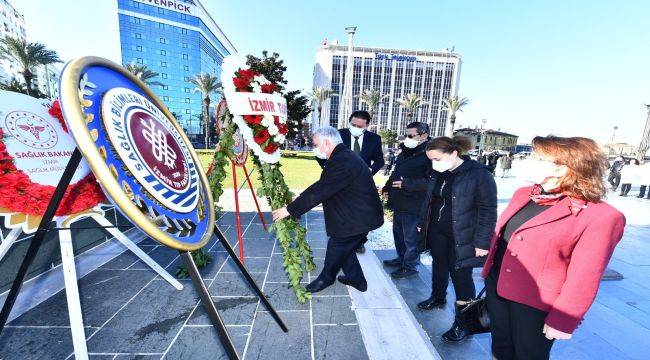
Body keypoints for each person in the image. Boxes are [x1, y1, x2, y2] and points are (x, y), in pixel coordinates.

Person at [482, 136, 626, 360]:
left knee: (528, 355)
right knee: (500, 348)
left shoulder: (601, 216)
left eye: (539, 158)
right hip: (498, 286)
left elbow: (585, 276)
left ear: (563, 168)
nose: (530, 161)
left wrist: (564, 319)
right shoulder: (525, 194)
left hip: (536, 304)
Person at [273, 126, 384, 293]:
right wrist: (300, 198)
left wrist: (289, 209)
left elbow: (321, 190)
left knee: (337, 246)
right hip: (357, 213)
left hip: (357, 218)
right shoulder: (343, 155)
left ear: (326, 142)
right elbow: (324, 185)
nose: (314, 148)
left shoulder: (342, 161)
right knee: (345, 249)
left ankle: (327, 278)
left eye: (316, 144)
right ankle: (357, 280)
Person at [416, 136, 498, 343]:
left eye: (437, 158)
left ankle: (464, 323)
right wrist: (422, 222)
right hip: (438, 230)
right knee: (439, 265)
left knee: (461, 276)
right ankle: (437, 296)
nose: (434, 163)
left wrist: (482, 242)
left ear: (454, 153)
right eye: (431, 160)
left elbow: (488, 210)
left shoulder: (479, 174)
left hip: (464, 235)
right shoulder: (439, 172)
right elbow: (430, 200)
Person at [316, 110, 384, 254]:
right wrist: (328, 167)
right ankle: (341, 235)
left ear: (367, 126)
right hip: (338, 180)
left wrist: (370, 171)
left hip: (360, 183)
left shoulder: (374, 139)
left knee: (360, 211)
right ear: (349, 122)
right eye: (353, 124)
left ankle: (359, 241)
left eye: (360, 126)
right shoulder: (338, 134)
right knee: (341, 208)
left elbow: (380, 160)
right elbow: (320, 154)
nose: (356, 128)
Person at [381, 122, 431, 279]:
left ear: (424, 135)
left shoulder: (430, 154)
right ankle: (401, 259)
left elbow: (431, 182)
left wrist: (408, 183)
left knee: (411, 238)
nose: (407, 138)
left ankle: (410, 266)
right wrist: (387, 187)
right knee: (399, 234)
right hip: (399, 201)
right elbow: (397, 172)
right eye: (406, 135)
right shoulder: (405, 152)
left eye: (411, 135)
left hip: (415, 203)